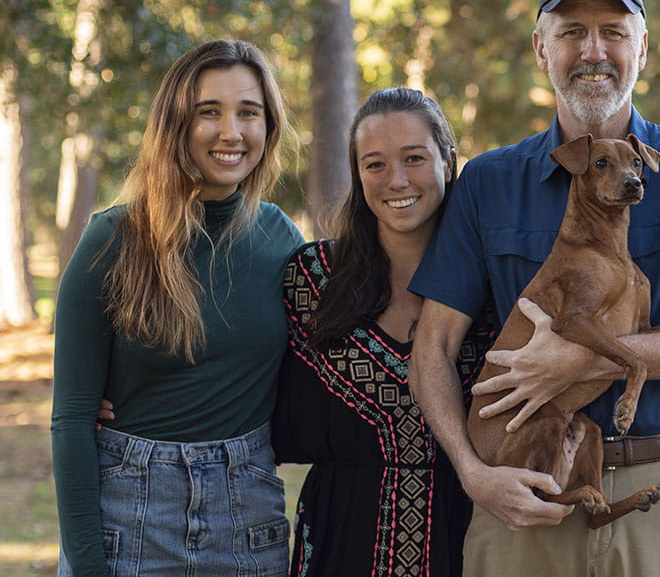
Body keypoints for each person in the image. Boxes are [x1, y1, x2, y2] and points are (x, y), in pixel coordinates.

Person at [408, 0, 660, 576]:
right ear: (541, 48)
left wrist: (576, 359)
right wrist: (472, 473)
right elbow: (432, 345)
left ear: (642, 48)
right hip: (517, 494)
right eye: (571, 31)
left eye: (614, 32)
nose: (592, 50)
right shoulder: (489, 182)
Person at [51, 39, 304, 576]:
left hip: (248, 515)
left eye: (249, 113)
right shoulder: (113, 239)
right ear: (174, 124)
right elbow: (72, 419)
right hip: (129, 512)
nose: (231, 132)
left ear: (269, 126)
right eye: (208, 112)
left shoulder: (282, 239)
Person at [270, 88, 496, 576]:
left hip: (468, 535)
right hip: (341, 536)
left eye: (414, 158)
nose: (396, 180)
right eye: (374, 164)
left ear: (448, 161)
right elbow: (238, 365)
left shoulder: (495, 287)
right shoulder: (312, 279)